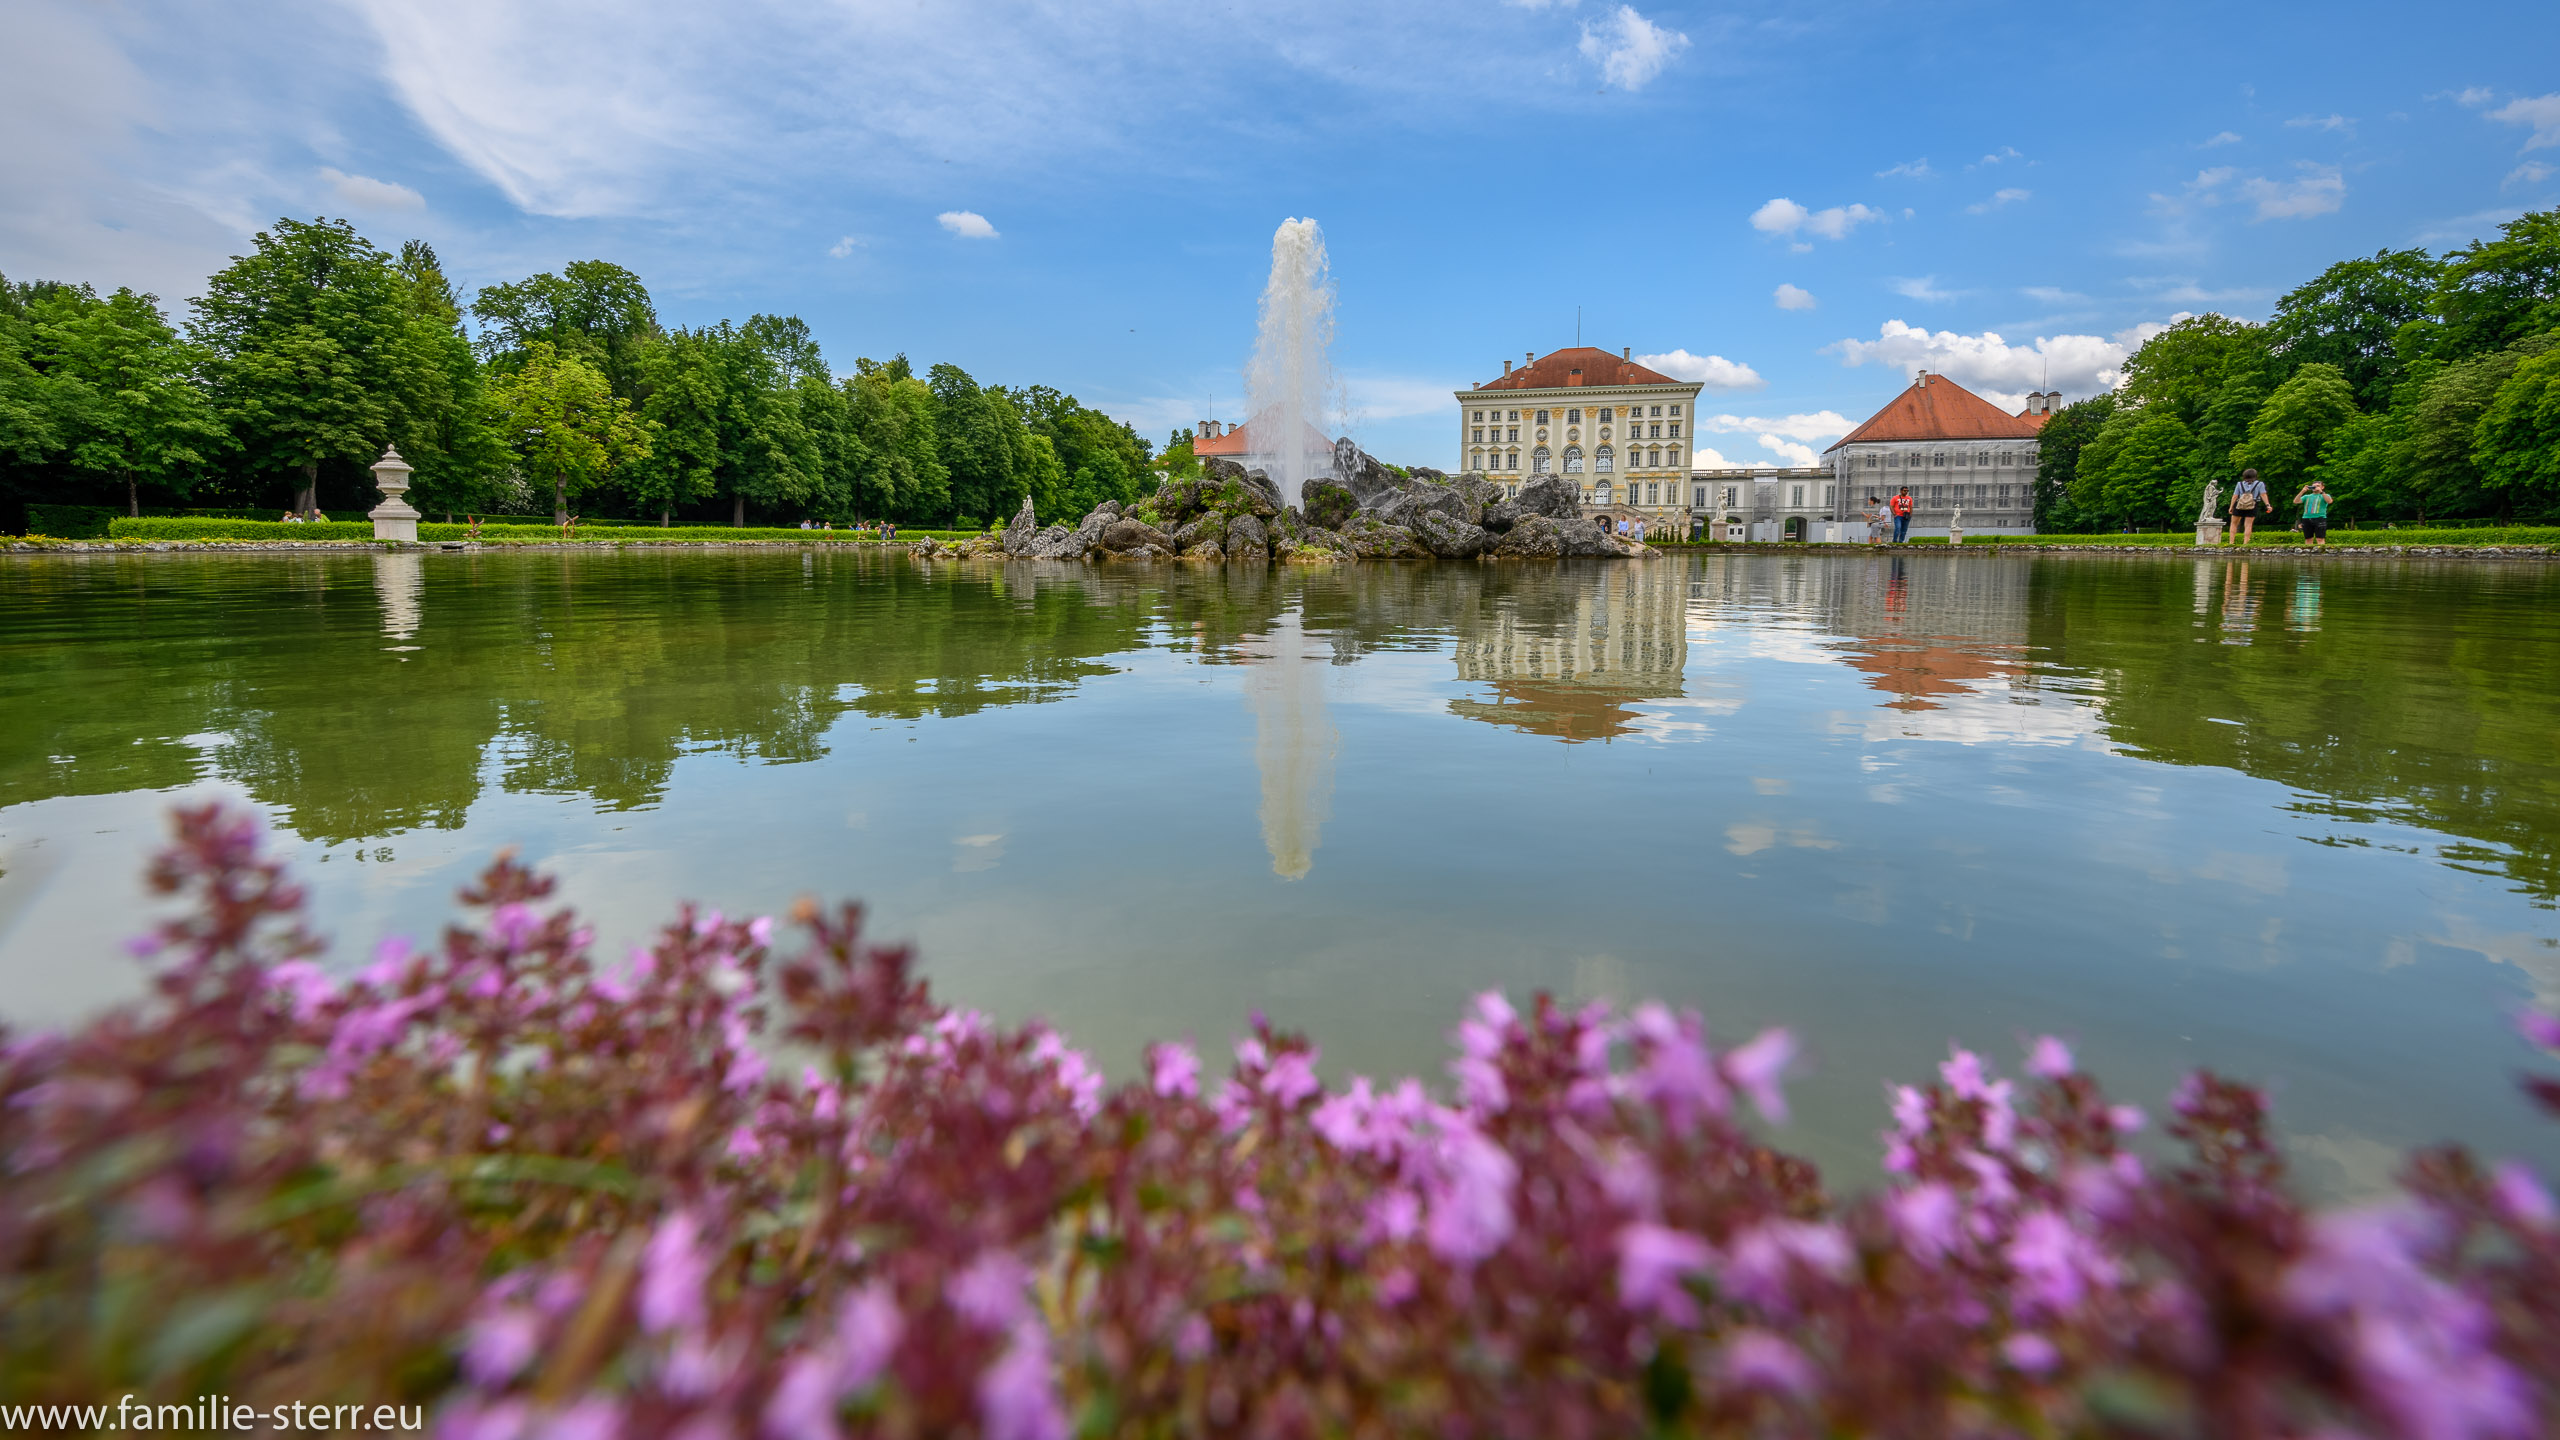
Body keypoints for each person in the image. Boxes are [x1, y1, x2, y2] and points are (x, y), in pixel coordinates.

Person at [2228, 468, 2270, 546]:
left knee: (2234, 523)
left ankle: (2231, 542)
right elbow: (2263, 494)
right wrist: (2268, 505)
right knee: (2248, 525)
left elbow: (2235, 496)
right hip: (2252, 505)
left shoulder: (2239, 484)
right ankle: (2245, 543)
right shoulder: (2260, 484)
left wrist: (2231, 507)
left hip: (2239, 505)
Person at [2292, 479, 2333, 549]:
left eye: (2318, 486)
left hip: (2320, 517)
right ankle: (2308, 551)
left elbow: (2329, 501)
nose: (2315, 487)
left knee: (2320, 538)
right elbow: (2295, 501)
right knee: (2308, 538)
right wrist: (2302, 491)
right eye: (2314, 486)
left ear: (2322, 487)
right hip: (2307, 518)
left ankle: (2321, 550)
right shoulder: (2307, 496)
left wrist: (2321, 492)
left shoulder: (2324, 495)